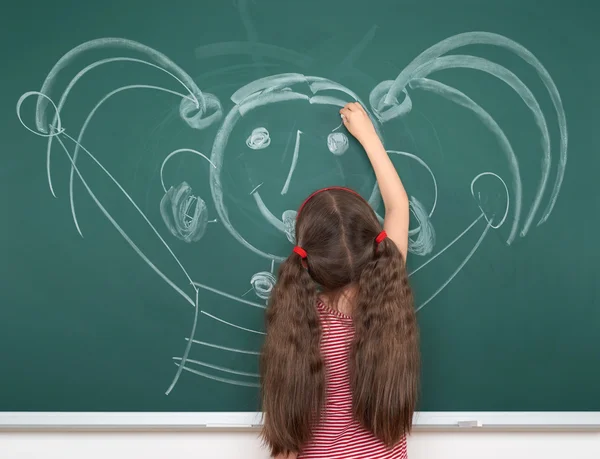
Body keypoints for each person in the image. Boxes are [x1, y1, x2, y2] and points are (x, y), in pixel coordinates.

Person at [259, 102, 420, 459]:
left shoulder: (297, 327)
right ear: (375, 244)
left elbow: (287, 440)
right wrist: (368, 136)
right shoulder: (387, 304)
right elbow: (398, 207)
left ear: (309, 256)